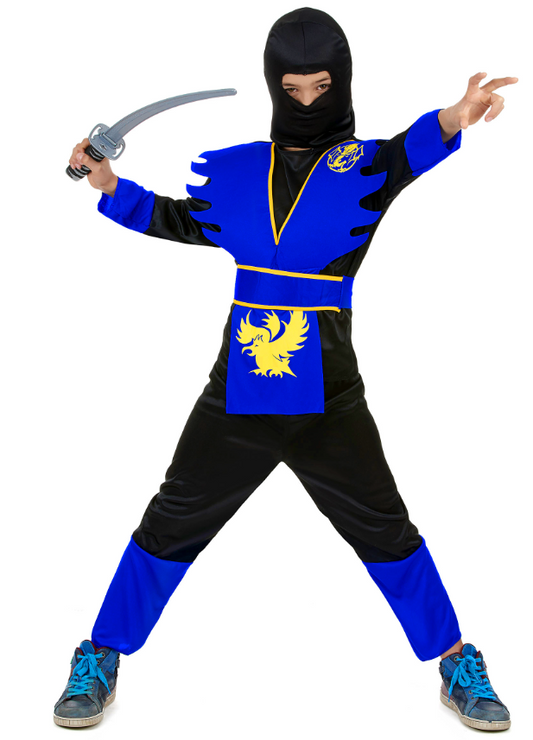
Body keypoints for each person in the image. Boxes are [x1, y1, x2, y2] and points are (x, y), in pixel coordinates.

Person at [55, 7, 518, 732]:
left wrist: (456, 117)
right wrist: (107, 182)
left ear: (343, 83)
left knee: (387, 532)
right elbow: (178, 219)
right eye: (293, 89)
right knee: (169, 523)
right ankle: (101, 655)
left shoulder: (365, 168)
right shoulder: (240, 171)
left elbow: (409, 150)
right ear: (274, 86)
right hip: (237, 394)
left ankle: (455, 662)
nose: (306, 101)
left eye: (321, 87)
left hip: (329, 398)